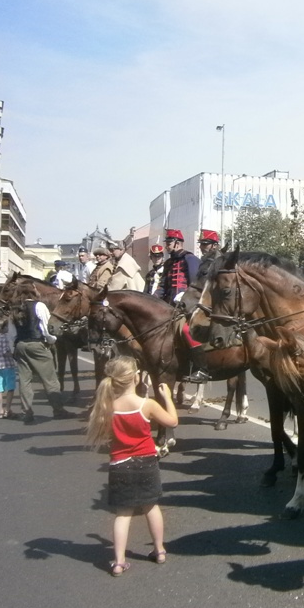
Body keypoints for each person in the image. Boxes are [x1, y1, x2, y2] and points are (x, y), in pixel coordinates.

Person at [86, 355, 178, 577]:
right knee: (151, 506)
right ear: (136, 377)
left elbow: (108, 432)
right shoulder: (147, 405)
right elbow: (172, 421)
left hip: (120, 464)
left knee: (123, 514)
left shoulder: (108, 407)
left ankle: (118, 561)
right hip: (146, 461)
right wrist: (168, 397)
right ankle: (159, 550)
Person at [157, 230, 206, 382]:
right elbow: (163, 286)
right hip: (169, 305)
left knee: (185, 330)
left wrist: (184, 296)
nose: (166, 246)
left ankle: (201, 368)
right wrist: (153, 299)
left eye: (169, 243)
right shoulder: (169, 262)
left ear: (177, 243)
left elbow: (196, 284)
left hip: (188, 305)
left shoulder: (190, 259)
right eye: (166, 243)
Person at [12, 294, 70, 423]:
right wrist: (52, 340)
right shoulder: (39, 306)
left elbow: (13, 332)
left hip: (20, 345)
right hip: (37, 344)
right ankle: (58, 410)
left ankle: (26, 412)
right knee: (50, 379)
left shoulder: (15, 308)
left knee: (24, 380)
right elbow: (46, 327)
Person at [0, 318, 17, 419]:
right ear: (3, 328)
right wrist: (14, 355)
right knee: (10, 388)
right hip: (7, 365)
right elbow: (6, 352)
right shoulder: (4, 338)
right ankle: (7, 409)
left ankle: (0, 411)